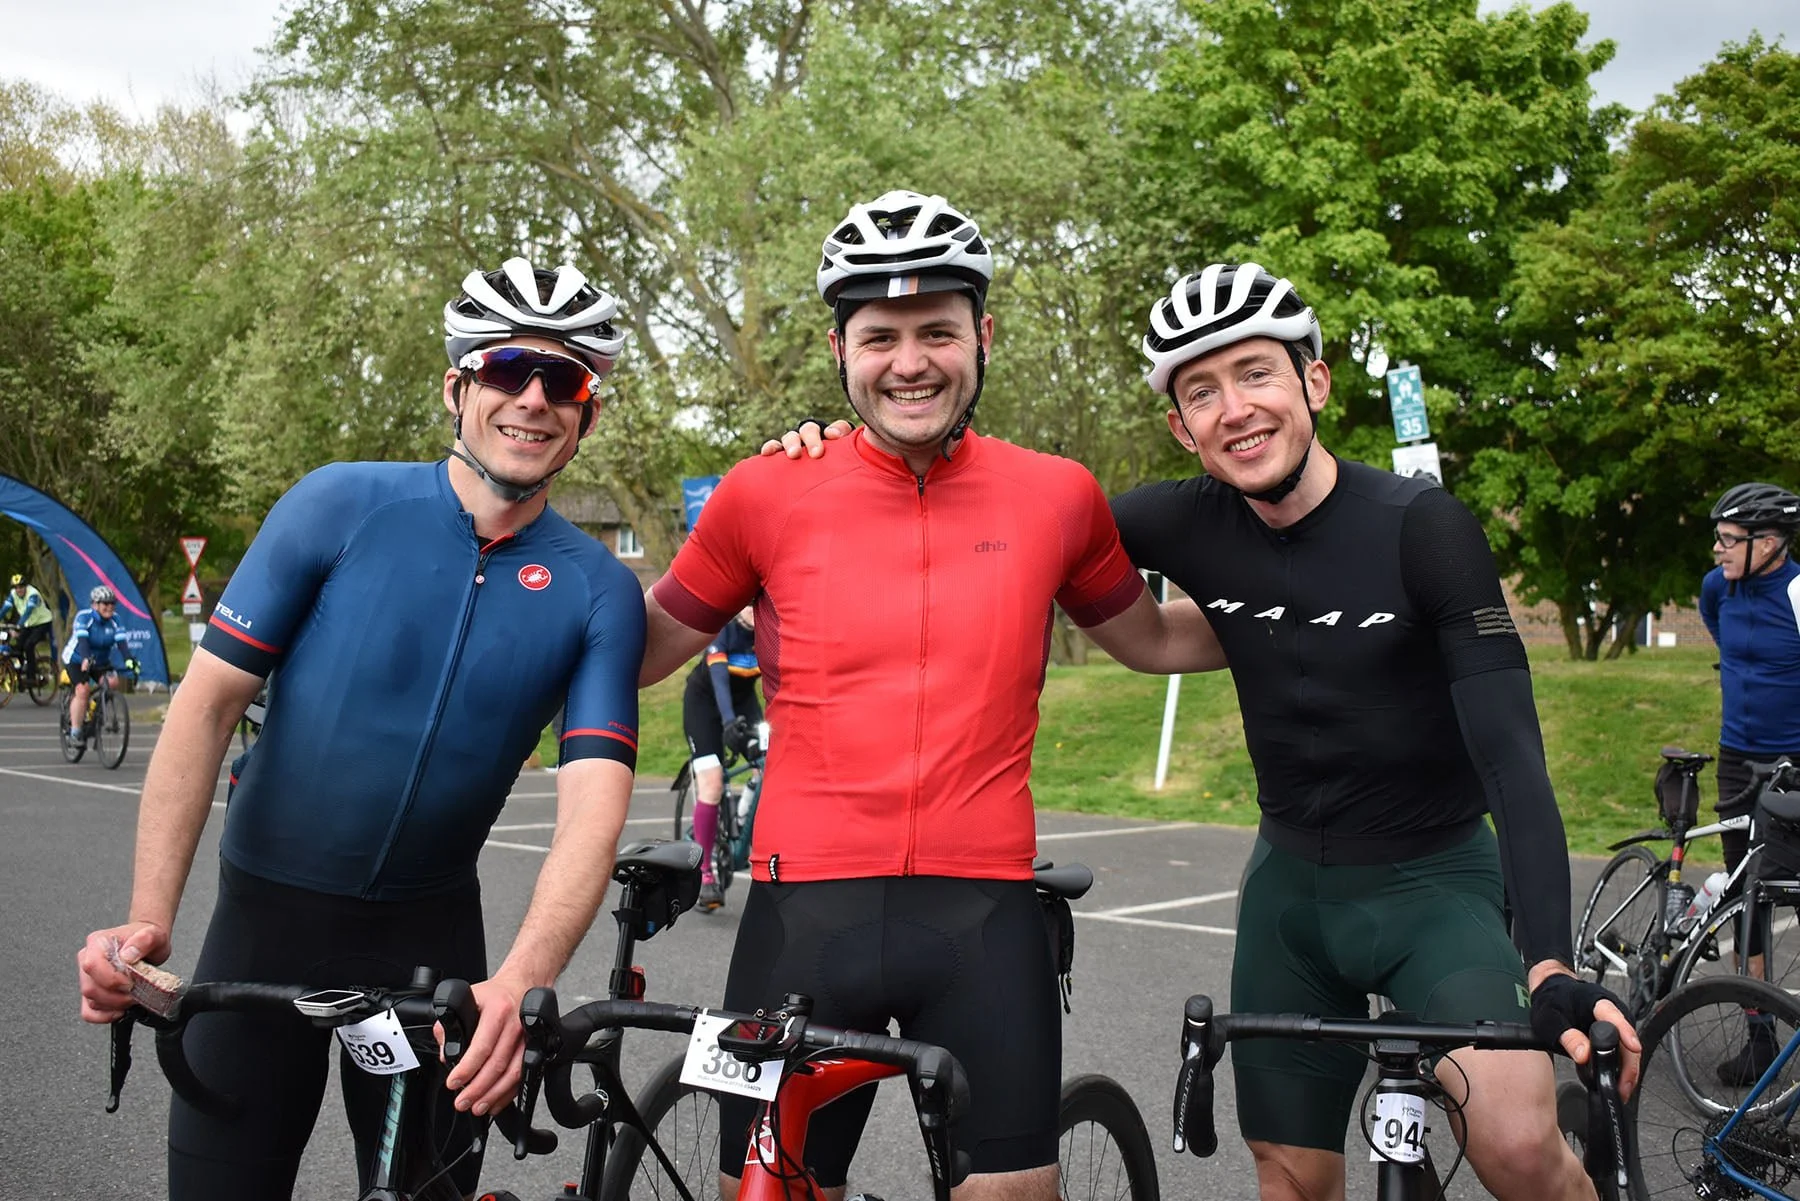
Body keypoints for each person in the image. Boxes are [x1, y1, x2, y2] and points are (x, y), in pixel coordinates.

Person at [639, 189, 1218, 1201]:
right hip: (798, 916)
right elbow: (640, 649)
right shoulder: (764, 491)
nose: (910, 361)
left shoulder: (1058, 494)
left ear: (982, 337)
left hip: (983, 915)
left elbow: (1158, 639)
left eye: (938, 331)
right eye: (881, 336)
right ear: (841, 350)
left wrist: (1315, 608)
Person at [75, 255, 647, 1199]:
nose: (534, 399)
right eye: (509, 368)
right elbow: (206, 707)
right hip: (265, 925)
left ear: (588, 413)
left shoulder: (597, 590)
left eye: (565, 380)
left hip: (431, 946)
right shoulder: (339, 503)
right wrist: (149, 916)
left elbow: (594, 807)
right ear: (456, 387)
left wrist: (521, 979)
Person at [1113, 263, 1635, 1201]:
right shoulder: (1176, 522)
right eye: (1203, 391)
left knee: (1520, 1147)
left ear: (1314, 382)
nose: (1235, 409)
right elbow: (1018, 519)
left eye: (1256, 373)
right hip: (1290, 896)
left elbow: (1511, 758)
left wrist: (1551, 959)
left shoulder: (1422, 528)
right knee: (1289, 1174)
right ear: (1182, 428)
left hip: (1435, 885)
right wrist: (849, 450)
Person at [1701, 481, 1800, 1083]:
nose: (1718, 549)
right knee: (1747, 896)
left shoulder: (1797, 592)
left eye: (1728, 539)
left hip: (1795, 764)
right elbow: (1725, 641)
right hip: (1737, 759)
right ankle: (1759, 1038)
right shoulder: (1718, 588)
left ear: (1769, 542)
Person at [681, 606, 763, 911]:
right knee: (712, 784)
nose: (754, 609)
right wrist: (728, 723)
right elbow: (718, 681)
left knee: (768, 765)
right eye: (749, 603)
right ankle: (705, 873)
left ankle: (741, 821)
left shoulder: (769, 633)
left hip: (743, 704)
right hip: (705, 705)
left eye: (759, 603)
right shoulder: (724, 632)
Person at [62, 585, 128, 742]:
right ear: (95, 605)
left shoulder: (116, 620)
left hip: (100, 661)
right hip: (76, 659)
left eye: (112, 603)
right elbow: (83, 641)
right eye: (105, 603)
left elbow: (122, 644)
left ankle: (95, 710)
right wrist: (85, 658)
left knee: (112, 683)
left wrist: (129, 660)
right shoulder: (84, 617)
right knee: (83, 690)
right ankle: (75, 731)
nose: (109, 607)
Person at [2, 571, 55, 667]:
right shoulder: (13, 594)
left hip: (42, 623)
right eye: (16, 587)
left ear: (26, 586)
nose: (19, 590)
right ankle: (20, 669)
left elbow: (28, 611)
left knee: (28, 645)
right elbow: (5, 609)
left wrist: (18, 626)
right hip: (29, 624)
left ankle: (31, 674)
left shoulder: (33, 594)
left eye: (21, 587)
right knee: (18, 647)